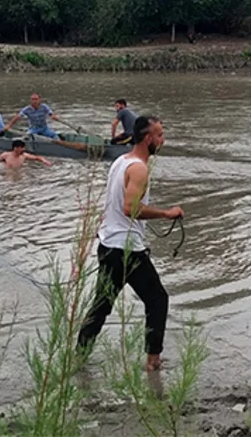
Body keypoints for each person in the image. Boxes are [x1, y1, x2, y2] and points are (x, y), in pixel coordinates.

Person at [77, 116, 182, 372]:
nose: (162, 140)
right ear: (148, 139)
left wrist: (104, 228)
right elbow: (129, 208)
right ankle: (153, 361)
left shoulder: (120, 162)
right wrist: (167, 213)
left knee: (101, 305)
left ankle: (79, 358)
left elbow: (111, 203)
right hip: (127, 250)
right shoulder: (139, 169)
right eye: (159, 135)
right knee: (157, 299)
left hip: (109, 244)